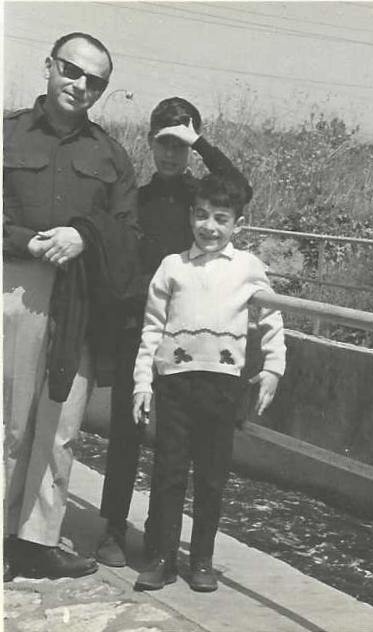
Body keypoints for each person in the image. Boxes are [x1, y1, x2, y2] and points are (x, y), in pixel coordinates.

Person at [3, 32, 138, 582]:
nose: (81, 86)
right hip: (14, 286)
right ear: (49, 67)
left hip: (79, 297)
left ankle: (37, 540)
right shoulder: (6, 134)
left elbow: (131, 235)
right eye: (72, 71)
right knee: (6, 421)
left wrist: (85, 235)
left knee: (59, 425)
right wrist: (22, 242)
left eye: (95, 81)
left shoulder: (109, 154)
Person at [96, 97, 252, 567]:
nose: (170, 154)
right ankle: (112, 528)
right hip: (140, 329)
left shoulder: (199, 199)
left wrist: (200, 142)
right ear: (150, 143)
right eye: (163, 142)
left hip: (191, 337)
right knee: (128, 430)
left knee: (181, 446)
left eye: (179, 144)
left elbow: (240, 189)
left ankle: (160, 533)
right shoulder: (137, 199)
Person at [131, 173, 286, 592]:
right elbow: (151, 330)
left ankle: (201, 560)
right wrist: (142, 383)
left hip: (222, 386)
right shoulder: (172, 267)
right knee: (168, 474)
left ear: (239, 224)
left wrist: (273, 367)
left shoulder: (248, 267)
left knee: (212, 478)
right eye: (201, 216)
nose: (210, 227)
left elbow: (272, 318)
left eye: (221, 218)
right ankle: (162, 558)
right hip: (175, 385)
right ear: (190, 216)